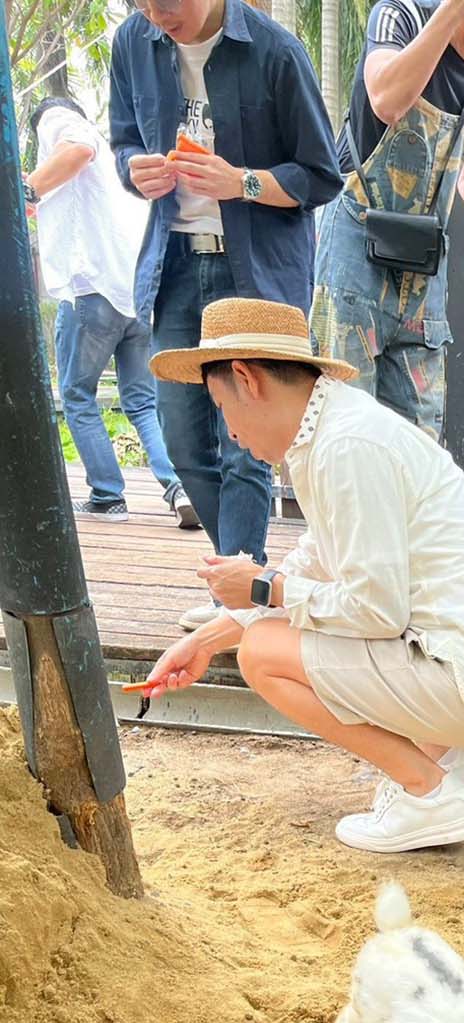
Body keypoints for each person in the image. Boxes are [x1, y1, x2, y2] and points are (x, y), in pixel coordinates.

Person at [143, 298, 464, 854]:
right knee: (267, 633)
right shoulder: (336, 428)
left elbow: (376, 612)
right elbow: (317, 560)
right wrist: (206, 639)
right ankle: (454, 762)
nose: (229, 432)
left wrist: (263, 587)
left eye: (220, 406)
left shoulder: (346, 446)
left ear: (246, 379)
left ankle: (428, 792)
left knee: (262, 654)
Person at [109, 0, 342, 629]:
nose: (157, 14)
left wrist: (240, 182)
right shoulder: (132, 43)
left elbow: (321, 177)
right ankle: (243, 584)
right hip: (174, 265)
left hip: (257, 274)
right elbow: (124, 141)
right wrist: (135, 171)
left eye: (168, 2)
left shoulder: (274, 50)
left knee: (247, 446)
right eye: (144, 3)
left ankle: (235, 603)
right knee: (182, 439)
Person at [311, 0, 464, 440]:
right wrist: (453, 14)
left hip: (423, 268)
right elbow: (386, 101)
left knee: (419, 441)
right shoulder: (399, 17)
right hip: (355, 245)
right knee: (342, 424)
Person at [24, 96, 189, 525]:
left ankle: (107, 495)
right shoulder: (115, 165)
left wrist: (28, 189)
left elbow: (77, 146)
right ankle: (178, 487)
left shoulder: (58, 120)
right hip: (135, 297)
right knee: (141, 401)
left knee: (78, 395)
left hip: (93, 290)